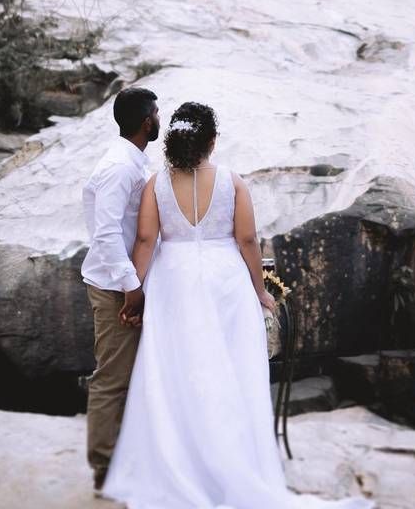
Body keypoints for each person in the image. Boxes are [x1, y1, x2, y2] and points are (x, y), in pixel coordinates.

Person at [101, 102, 375, 508]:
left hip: (173, 282)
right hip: (225, 284)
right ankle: (232, 464)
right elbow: (248, 241)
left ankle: (178, 467)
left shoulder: (156, 184)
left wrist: (133, 293)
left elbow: (144, 242)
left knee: (175, 373)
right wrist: (259, 290)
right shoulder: (233, 182)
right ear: (211, 141)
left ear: (175, 140)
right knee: (228, 372)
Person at [81, 86, 160, 494]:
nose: (159, 119)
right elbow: (107, 233)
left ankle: (124, 459)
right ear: (148, 121)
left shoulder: (132, 162)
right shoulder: (119, 167)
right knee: (111, 379)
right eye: (157, 113)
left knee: (130, 377)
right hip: (115, 287)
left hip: (124, 283)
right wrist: (132, 287)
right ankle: (104, 468)